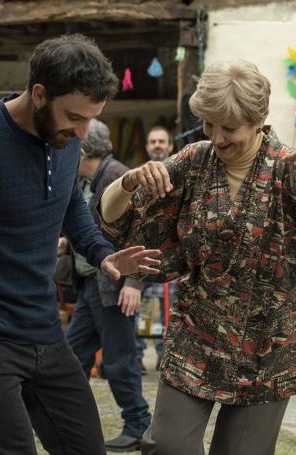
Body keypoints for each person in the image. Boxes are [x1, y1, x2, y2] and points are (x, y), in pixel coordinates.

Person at [99, 60, 296, 454]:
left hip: (268, 347)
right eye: (209, 125)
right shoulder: (195, 162)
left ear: (258, 121)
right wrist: (128, 181)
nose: (217, 137)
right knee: (167, 445)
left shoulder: (290, 170)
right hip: (197, 336)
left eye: (229, 128)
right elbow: (115, 220)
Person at [0, 34, 161, 455]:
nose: (80, 132)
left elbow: (70, 203)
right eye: (73, 118)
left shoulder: (67, 138)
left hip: (44, 331)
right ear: (39, 94)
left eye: (89, 122)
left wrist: (101, 253)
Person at [64, 118, 151, 452]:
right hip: (92, 286)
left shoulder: (117, 176)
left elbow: (144, 230)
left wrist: (134, 282)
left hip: (114, 288)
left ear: (84, 149)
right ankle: (68, 419)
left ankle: (139, 425)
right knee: (73, 356)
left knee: (118, 361)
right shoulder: (89, 179)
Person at [134, 126, 177, 372]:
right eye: (153, 141)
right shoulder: (138, 176)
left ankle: (165, 355)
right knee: (144, 309)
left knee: (170, 309)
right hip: (143, 251)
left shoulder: (180, 170)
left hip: (170, 253)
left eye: (162, 141)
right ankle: (139, 356)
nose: (158, 145)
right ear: (148, 146)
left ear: (170, 146)